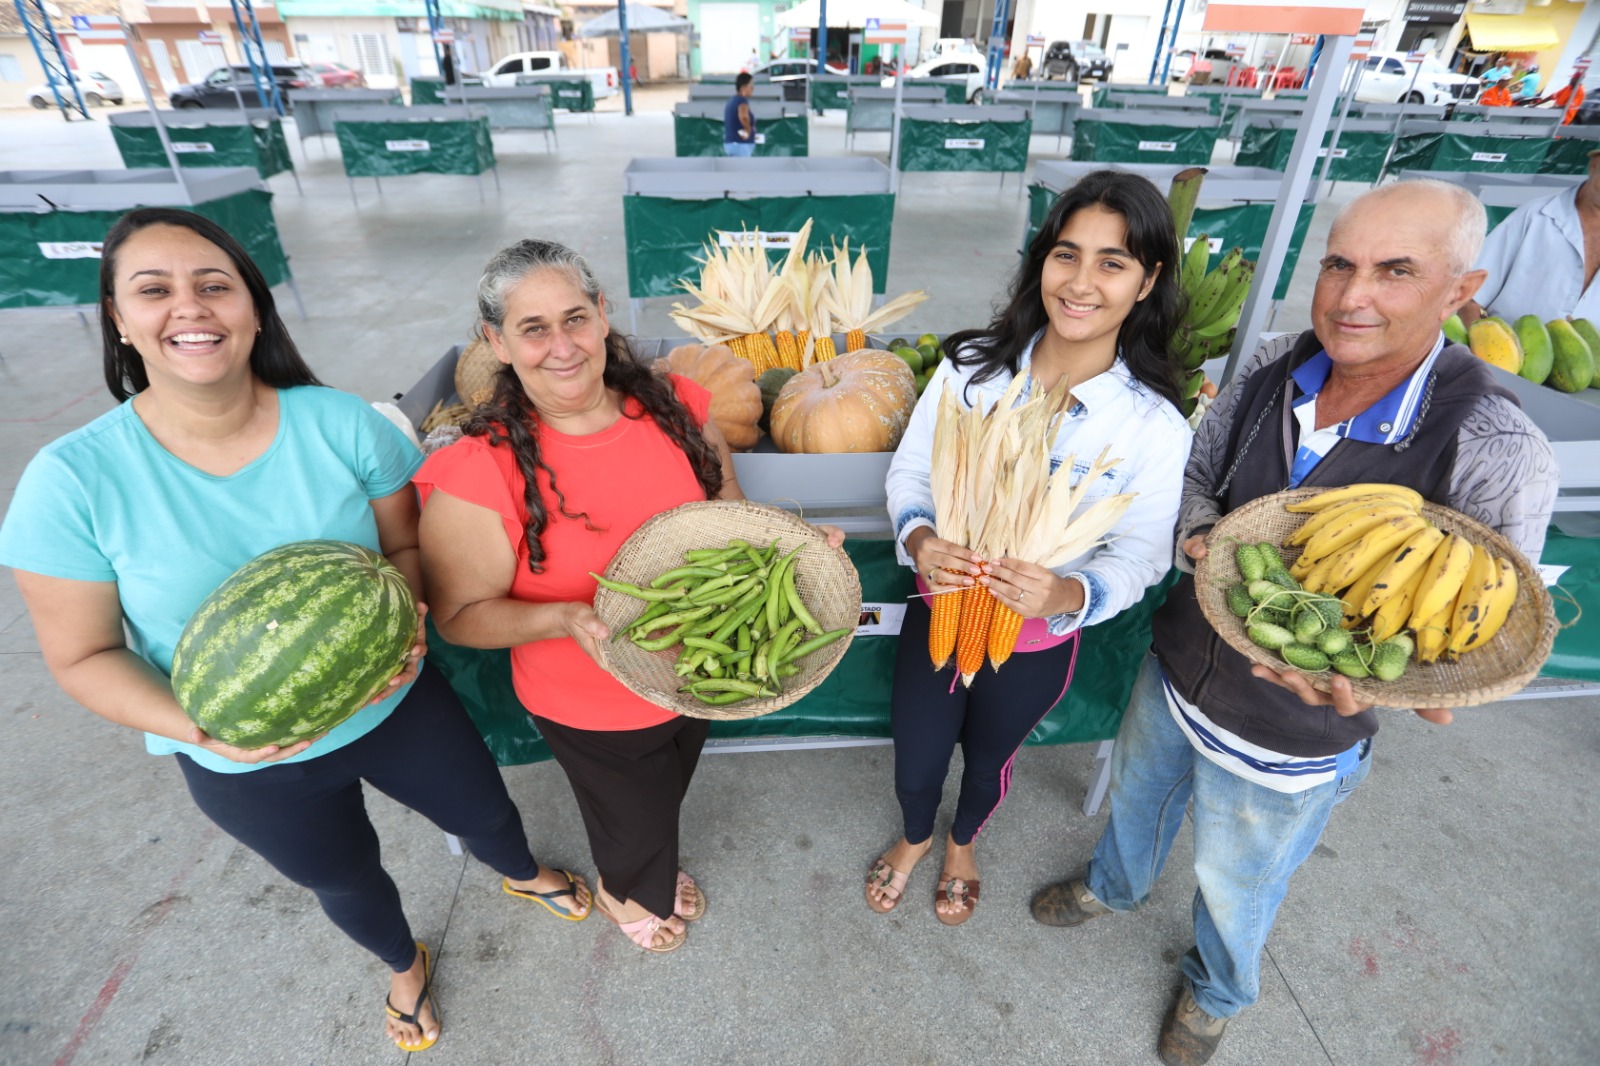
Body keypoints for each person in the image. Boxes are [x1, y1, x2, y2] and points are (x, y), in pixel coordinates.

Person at [0, 208, 592, 1055]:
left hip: (396, 701)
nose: (191, 309)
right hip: (241, 758)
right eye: (154, 290)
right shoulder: (70, 480)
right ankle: (401, 964)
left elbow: (402, 545)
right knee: (342, 877)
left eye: (214, 285)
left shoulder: (340, 422)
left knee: (484, 809)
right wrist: (205, 730)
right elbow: (82, 656)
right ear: (119, 321)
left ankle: (522, 874)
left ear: (252, 307)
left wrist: (411, 628)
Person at [1028, 179, 1557, 1066]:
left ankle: (1216, 992)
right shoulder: (1274, 363)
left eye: (1396, 272)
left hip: (1296, 730)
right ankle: (1112, 890)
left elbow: (1474, 648)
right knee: (1133, 801)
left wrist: (1376, 689)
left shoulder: (1495, 445)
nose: (1353, 298)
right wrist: (1200, 533)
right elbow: (1201, 476)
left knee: (1237, 881)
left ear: (1461, 290)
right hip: (1182, 667)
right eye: (1340, 266)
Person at [414, 239, 841, 955]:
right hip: (588, 696)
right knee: (629, 814)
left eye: (575, 317)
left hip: (696, 673)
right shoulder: (476, 472)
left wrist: (791, 548)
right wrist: (561, 615)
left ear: (604, 313)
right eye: (533, 328)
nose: (562, 346)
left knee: (664, 787)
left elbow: (731, 514)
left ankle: (645, 861)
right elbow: (459, 618)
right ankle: (628, 889)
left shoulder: (676, 408)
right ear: (496, 341)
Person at [872, 170, 1193, 925]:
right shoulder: (972, 370)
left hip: (1037, 638)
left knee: (989, 761)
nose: (1081, 283)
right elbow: (912, 470)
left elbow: (1143, 554)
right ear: (1040, 260)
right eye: (1066, 255)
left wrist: (1068, 594)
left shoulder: (1153, 427)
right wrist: (920, 537)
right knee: (916, 755)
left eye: (1112, 264)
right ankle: (916, 834)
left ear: (1147, 282)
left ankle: (961, 844)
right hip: (941, 610)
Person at [1463, 148, 1600, 325]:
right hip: (1505, 346)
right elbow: (1469, 296)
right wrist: (1484, 341)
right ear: (1594, 165)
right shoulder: (1534, 217)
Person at [723, 71, 758, 156]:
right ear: (743, 88)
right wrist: (748, 131)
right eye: (751, 86)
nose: (753, 88)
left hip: (732, 143)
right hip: (741, 145)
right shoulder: (742, 101)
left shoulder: (732, 101)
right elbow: (743, 117)